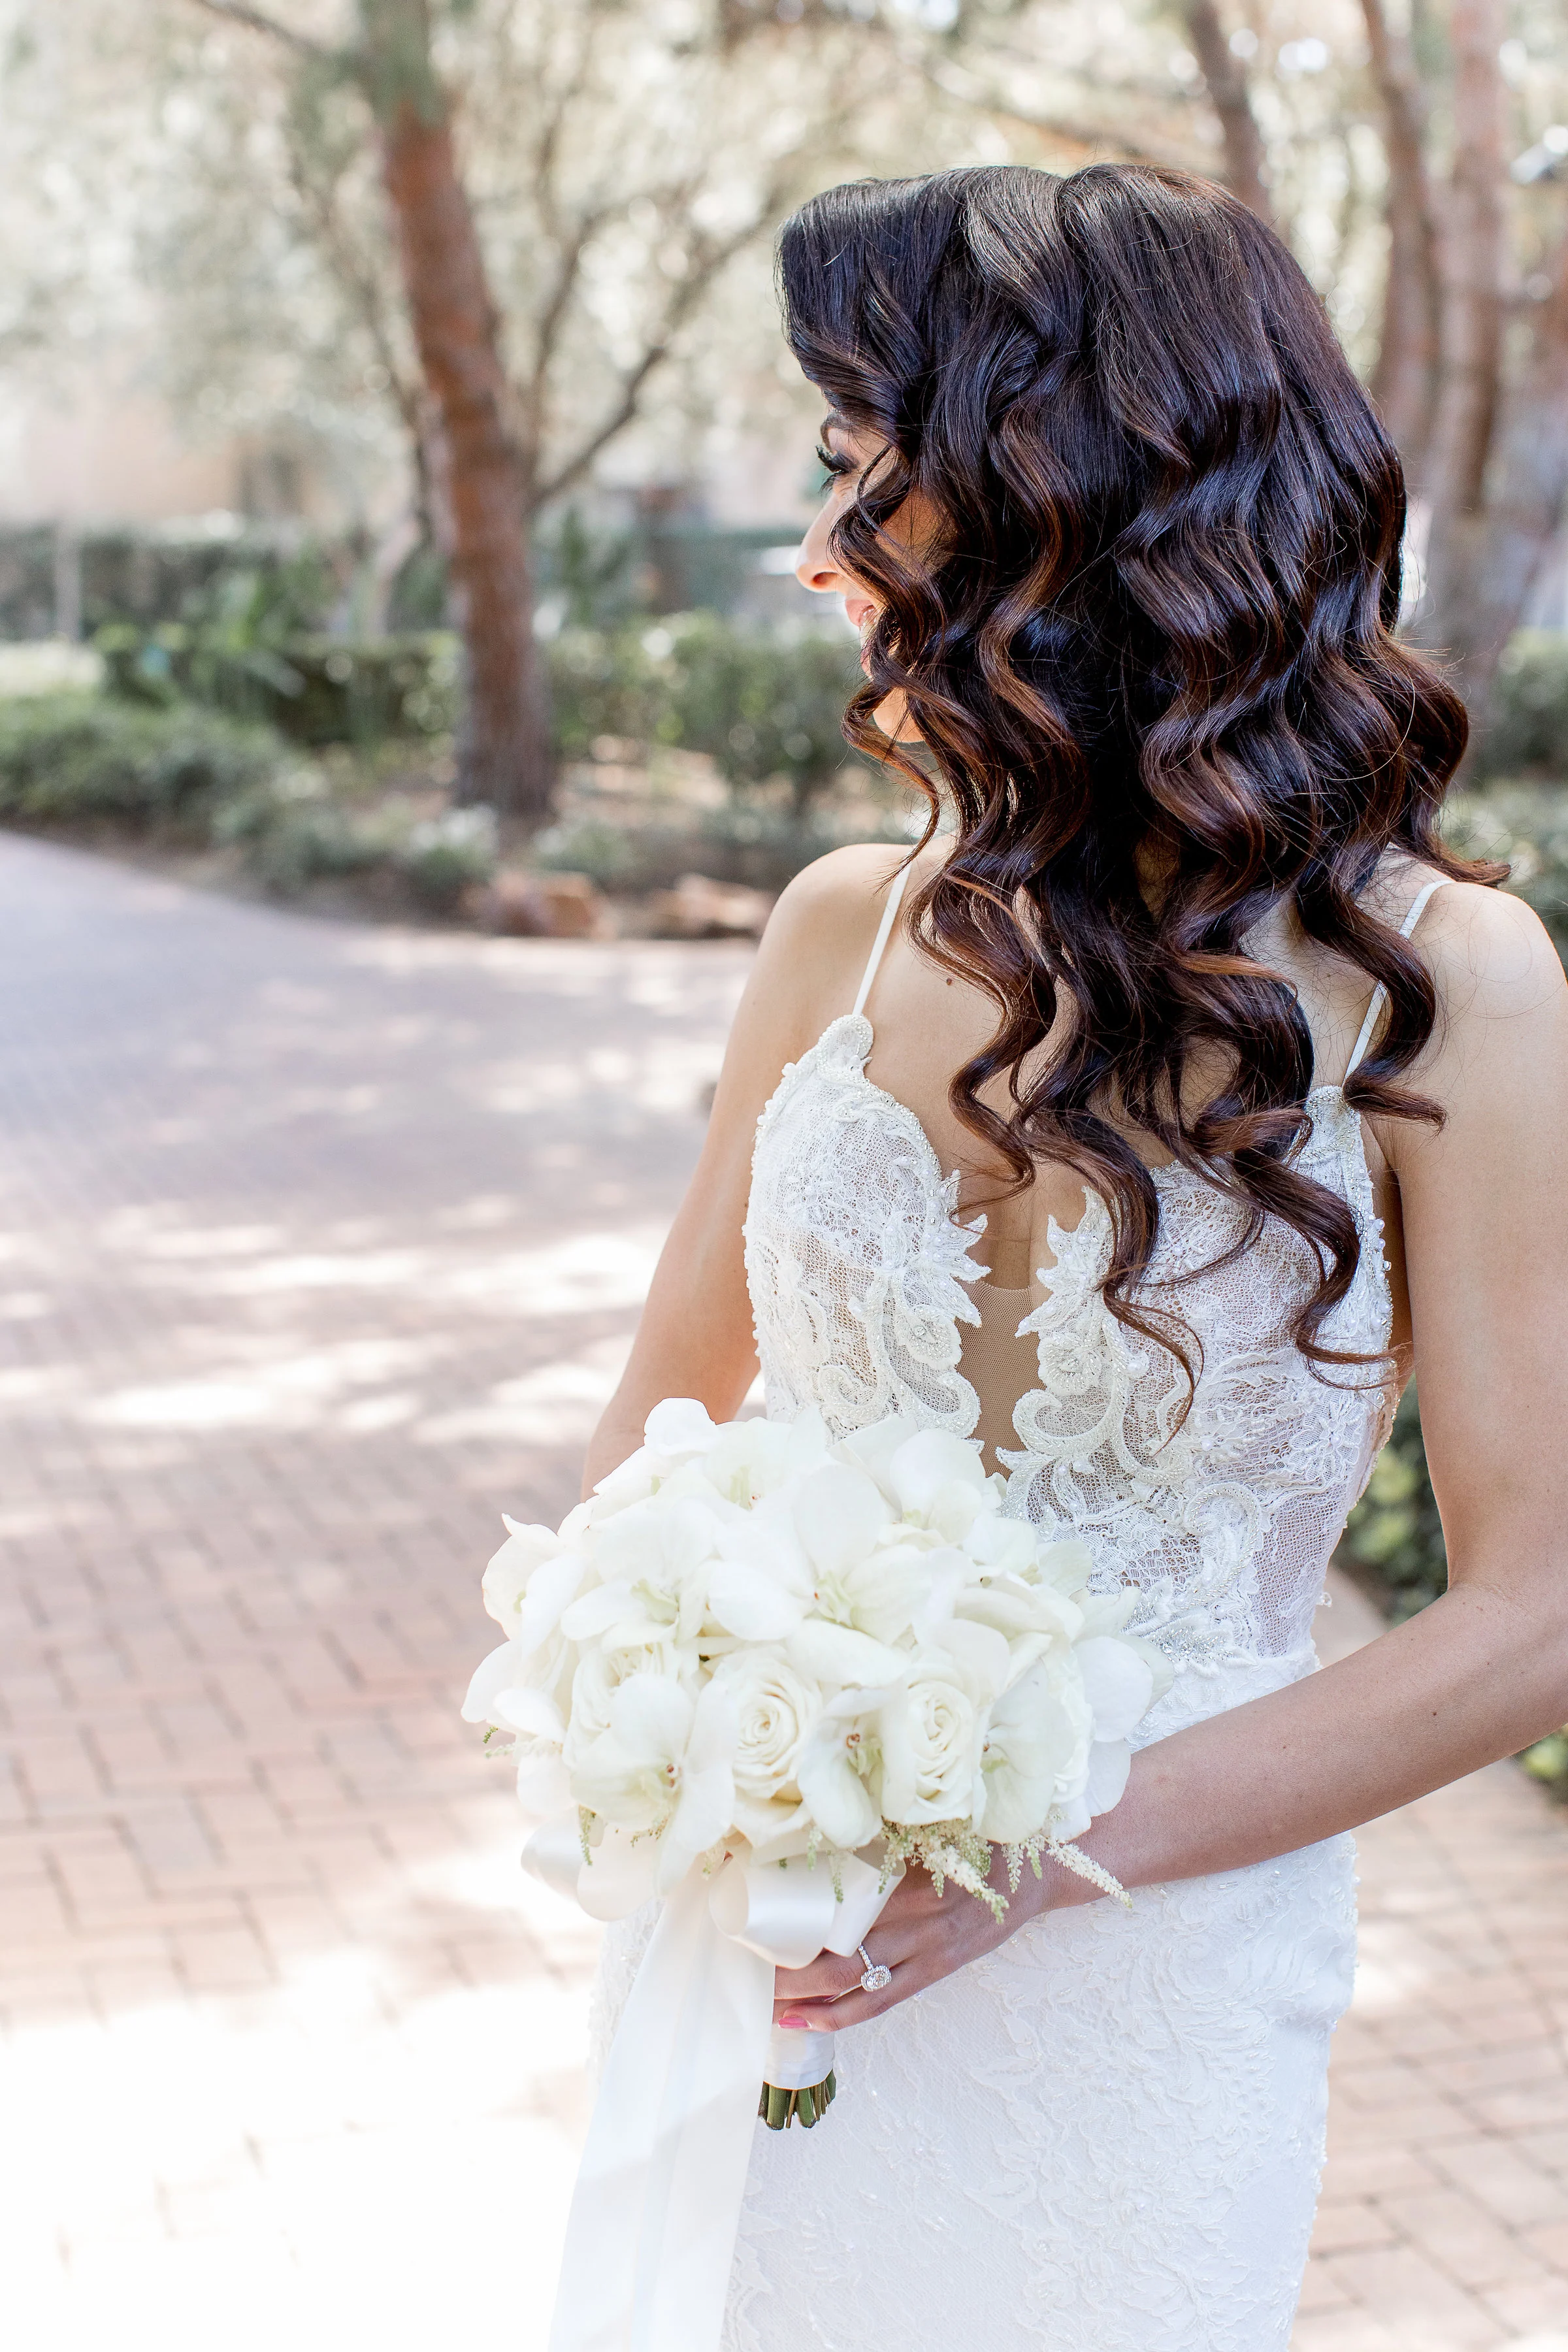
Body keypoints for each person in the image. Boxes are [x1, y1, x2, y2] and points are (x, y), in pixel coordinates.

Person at [581, 165, 1568, 2351]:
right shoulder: (837, 931)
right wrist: (662, 1707)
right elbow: (655, 1430)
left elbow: (1538, 1614)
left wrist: (1056, 1845)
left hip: (1158, 1984)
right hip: (786, 1949)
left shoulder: (1451, 988)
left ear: (1069, 497)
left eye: (869, 469)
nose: (826, 549)